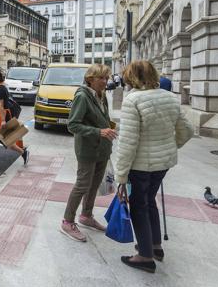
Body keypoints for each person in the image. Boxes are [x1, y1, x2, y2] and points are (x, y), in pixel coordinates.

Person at [115, 60, 193, 273]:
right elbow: (187, 130)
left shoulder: (133, 100)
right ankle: (155, 246)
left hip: (141, 165)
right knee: (149, 201)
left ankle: (145, 256)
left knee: (138, 206)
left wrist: (120, 175)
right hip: (163, 163)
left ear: (131, 76)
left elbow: (128, 142)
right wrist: (169, 146)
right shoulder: (170, 97)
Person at [60, 64, 116, 242]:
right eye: (101, 78)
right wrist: (99, 131)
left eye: (107, 78)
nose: (105, 81)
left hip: (103, 148)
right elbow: (73, 125)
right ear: (90, 79)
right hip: (87, 148)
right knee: (82, 185)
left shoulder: (101, 94)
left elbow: (102, 118)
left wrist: (108, 126)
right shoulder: (82, 96)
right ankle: (67, 222)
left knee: (94, 184)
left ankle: (86, 216)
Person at [0, 70, 29, 168]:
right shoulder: (0, 88)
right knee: (0, 139)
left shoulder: (0, 90)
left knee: (5, 140)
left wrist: (3, 120)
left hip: (0, 119)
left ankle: (22, 152)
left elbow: (1, 106)